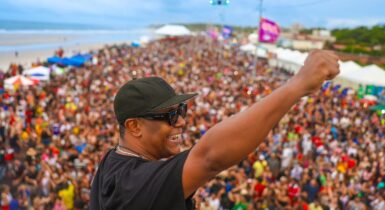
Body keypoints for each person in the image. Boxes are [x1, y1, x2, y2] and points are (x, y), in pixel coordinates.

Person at [89, 50, 340, 209]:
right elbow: (210, 158)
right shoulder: (132, 184)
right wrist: (298, 85)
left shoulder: (113, 162)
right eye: (170, 115)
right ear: (134, 126)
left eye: (182, 111)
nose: (181, 122)